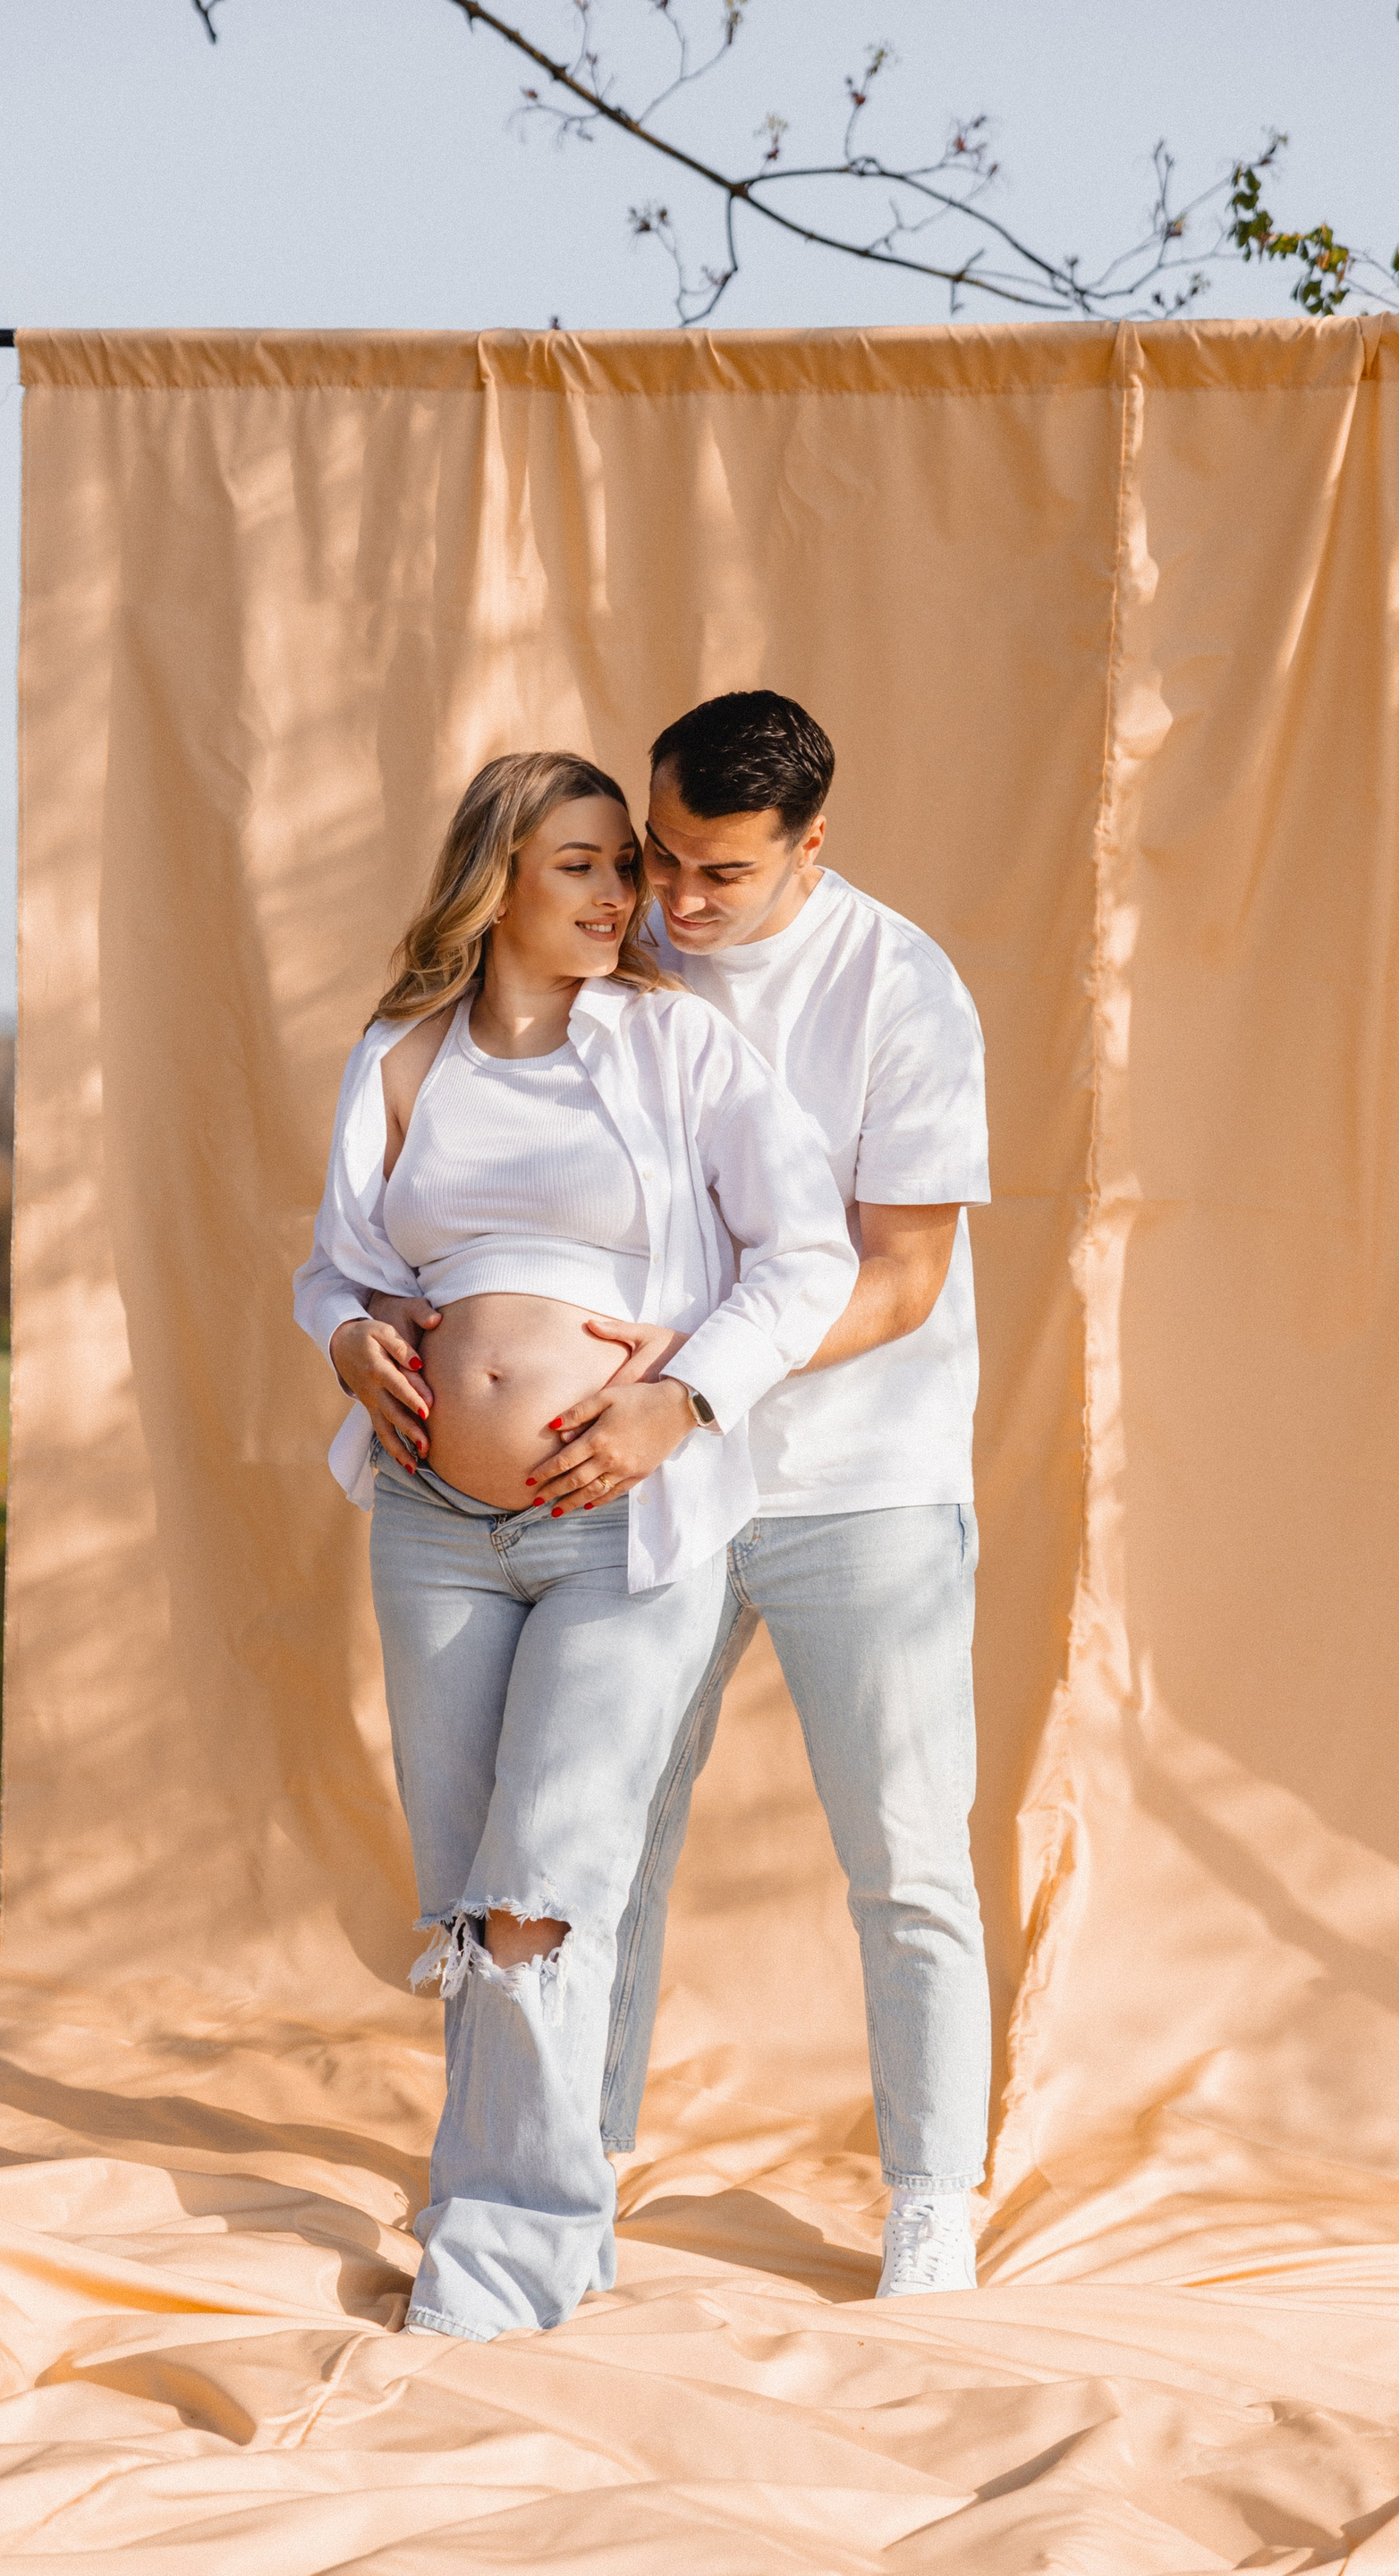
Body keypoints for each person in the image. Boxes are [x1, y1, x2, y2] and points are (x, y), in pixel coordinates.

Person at [293, 750, 857, 2342]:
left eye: (629, 865)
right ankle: (522, 2223)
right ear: (501, 881)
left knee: (543, 1886)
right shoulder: (404, 1056)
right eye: (587, 864)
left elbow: (806, 1254)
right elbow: (335, 1267)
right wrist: (347, 1339)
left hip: (617, 1530)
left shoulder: (678, 1046)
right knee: (475, 1901)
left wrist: (684, 1398)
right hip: (434, 1525)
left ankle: (500, 2262)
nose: (629, 896)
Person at [585, 690, 994, 2299]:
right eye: (660, 856)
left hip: (862, 1485)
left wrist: (697, 1379)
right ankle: (564, 2171)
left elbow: (902, 1279)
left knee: (907, 1855)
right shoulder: (621, 950)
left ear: (811, 847)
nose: (676, 903)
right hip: (652, 1473)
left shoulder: (905, 987)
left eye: (721, 875)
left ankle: (932, 2202)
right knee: (601, 1838)